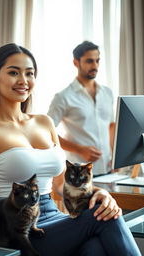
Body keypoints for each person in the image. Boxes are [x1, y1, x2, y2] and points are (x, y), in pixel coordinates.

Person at [0, 43, 141, 256]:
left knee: (95, 247)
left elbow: (59, 184)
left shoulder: (44, 122)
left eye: (30, 73)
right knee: (104, 219)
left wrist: (99, 192)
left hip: (54, 217)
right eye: (13, 72)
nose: (23, 80)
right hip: (16, 228)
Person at [47, 41, 115, 176]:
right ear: (76, 62)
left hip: (109, 171)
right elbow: (48, 134)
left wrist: (115, 159)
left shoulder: (108, 93)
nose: (95, 66)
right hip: (78, 174)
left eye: (97, 61)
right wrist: (80, 149)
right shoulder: (63, 97)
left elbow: (111, 126)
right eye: (89, 61)